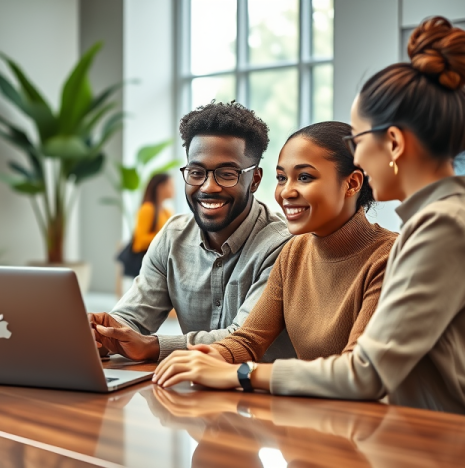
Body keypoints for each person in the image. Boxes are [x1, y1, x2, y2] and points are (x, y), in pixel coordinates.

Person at [154, 17, 465, 421]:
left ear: (392, 143)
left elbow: (366, 373)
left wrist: (240, 374)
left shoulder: (445, 227)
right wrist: (210, 357)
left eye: (358, 140)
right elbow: (249, 339)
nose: (356, 158)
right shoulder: (442, 220)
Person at [154, 120, 395, 373]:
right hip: (313, 407)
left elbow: (354, 371)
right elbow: (248, 341)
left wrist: (243, 376)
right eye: (282, 178)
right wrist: (200, 356)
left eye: (304, 177)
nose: (286, 192)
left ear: (352, 184)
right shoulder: (294, 251)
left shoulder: (389, 256)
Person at [92, 101, 293, 363]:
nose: (209, 187)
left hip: (264, 396)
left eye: (227, 173)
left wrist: (153, 346)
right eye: (197, 172)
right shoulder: (173, 236)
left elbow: (241, 338)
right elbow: (133, 318)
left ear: (254, 180)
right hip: (193, 391)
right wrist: (105, 334)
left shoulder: (283, 245)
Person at [132, 174, 174, 254]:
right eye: (170, 185)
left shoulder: (167, 212)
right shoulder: (148, 209)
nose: (174, 189)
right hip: (145, 260)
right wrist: (165, 235)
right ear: (160, 187)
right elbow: (139, 243)